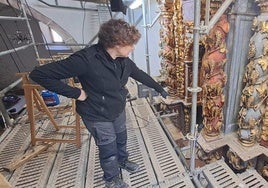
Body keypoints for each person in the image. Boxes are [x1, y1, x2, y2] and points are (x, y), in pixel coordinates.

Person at [30, 19, 168, 188]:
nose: (133, 48)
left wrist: (159, 88)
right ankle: (111, 178)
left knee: (121, 139)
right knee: (108, 148)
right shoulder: (86, 59)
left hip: (116, 108)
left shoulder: (123, 60)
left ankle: (123, 161)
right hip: (96, 113)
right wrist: (76, 93)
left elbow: (138, 74)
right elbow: (39, 74)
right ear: (117, 43)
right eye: (131, 44)